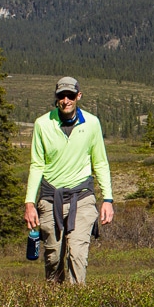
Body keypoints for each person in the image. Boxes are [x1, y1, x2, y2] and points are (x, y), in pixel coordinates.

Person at [23, 76, 114, 286]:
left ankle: (75, 306)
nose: (66, 100)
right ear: (56, 98)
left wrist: (107, 199)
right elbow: (37, 165)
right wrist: (29, 203)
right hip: (50, 198)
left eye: (70, 96)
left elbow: (100, 162)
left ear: (78, 96)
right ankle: (55, 305)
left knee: (77, 254)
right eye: (61, 96)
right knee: (53, 257)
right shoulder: (42, 124)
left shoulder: (92, 124)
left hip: (81, 197)